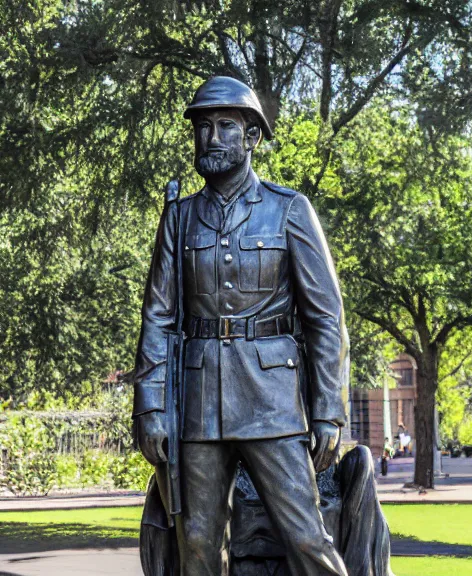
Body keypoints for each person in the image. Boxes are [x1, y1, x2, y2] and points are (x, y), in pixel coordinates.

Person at [133, 76, 350, 576]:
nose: (211, 137)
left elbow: (325, 318)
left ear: (251, 136)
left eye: (225, 126)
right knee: (197, 545)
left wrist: (329, 411)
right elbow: (158, 318)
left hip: (273, 400)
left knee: (306, 536)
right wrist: (151, 408)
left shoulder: (289, 209)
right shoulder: (179, 218)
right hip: (197, 404)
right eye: (203, 127)